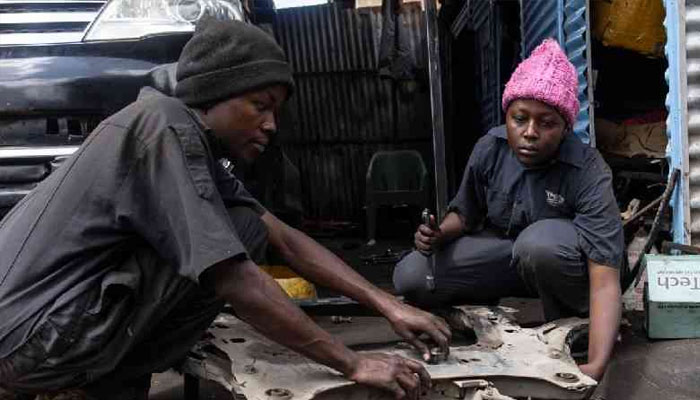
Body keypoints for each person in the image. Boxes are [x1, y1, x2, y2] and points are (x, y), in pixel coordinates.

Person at [0, 19, 451, 399]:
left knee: (245, 227)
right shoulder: (163, 129)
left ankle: (102, 377)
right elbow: (231, 274)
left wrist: (388, 305)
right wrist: (352, 362)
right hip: (28, 344)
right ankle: (96, 385)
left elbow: (282, 237)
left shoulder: (179, 137)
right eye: (260, 106)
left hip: (31, 335)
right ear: (215, 94)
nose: (271, 125)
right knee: (227, 245)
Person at [393, 39, 623, 381]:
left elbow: (605, 279)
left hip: (566, 268)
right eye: (520, 119)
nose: (530, 133)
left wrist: (596, 364)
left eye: (546, 123)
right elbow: (465, 213)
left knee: (538, 243)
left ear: (565, 128)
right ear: (507, 115)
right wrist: (440, 232)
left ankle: (573, 328)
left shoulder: (588, 171)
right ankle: (486, 311)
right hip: (510, 256)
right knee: (410, 275)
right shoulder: (491, 148)